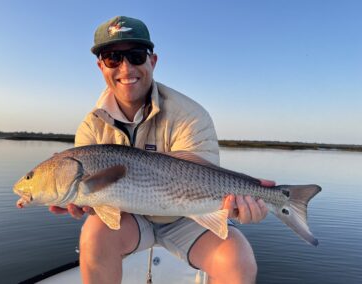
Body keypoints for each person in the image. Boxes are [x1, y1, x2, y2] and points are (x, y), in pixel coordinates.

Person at [50, 16, 273, 284]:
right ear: (100, 66)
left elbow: (203, 179)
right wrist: (83, 202)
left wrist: (241, 201)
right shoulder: (91, 126)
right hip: (130, 217)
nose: (125, 67)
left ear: (152, 62)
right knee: (93, 234)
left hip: (187, 215)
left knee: (237, 260)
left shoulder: (190, 115)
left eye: (136, 56)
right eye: (112, 58)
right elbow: (98, 201)